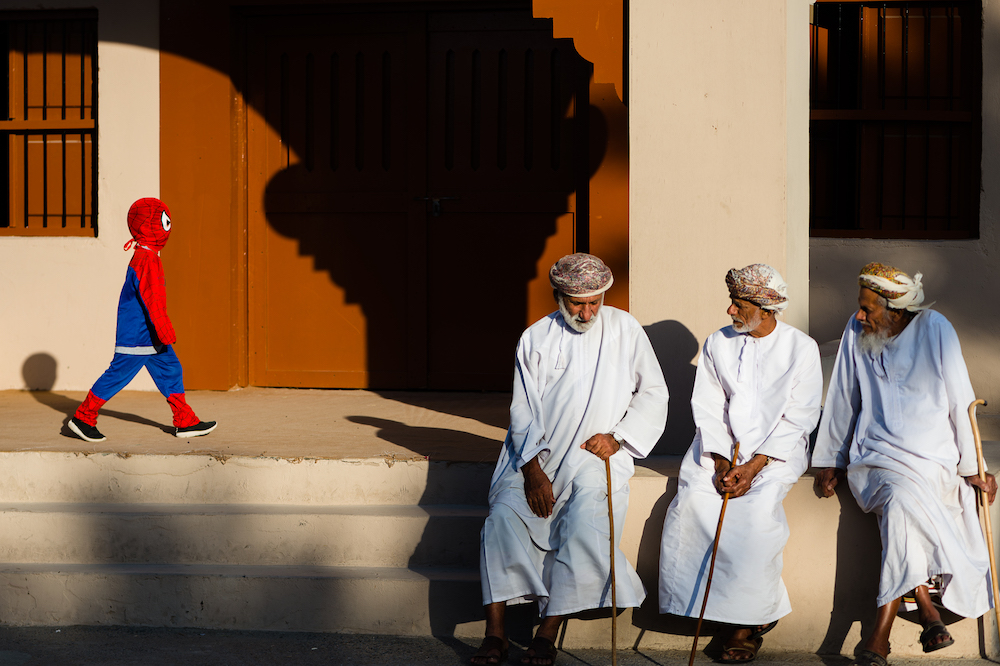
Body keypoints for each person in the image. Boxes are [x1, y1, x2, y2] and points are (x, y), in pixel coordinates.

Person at [471, 253, 669, 666]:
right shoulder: (536, 337)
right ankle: (496, 633)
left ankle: (547, 632)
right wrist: (532, 473)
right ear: (558, 295)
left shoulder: (625, 329)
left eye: (595, 301)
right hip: (534, 456)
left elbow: (653, 392)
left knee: (584, 520)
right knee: (502, 520)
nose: (588, 311)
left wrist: (620, 437)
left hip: (593, 456)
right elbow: (522, 410)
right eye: (578, 303)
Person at [813, 262, 996, 666]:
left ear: (895, 310)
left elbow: (959, 400)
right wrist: (831, 459)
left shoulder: (936, 329)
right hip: (875, 456)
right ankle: (892, 629)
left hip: (934, 460)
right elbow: (844, 393)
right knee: (898, 499)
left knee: (900, 510)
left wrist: (973, 468)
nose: (859, 316)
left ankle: (907, 617)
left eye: (868, 309)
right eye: (859, 308)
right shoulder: (856, 329)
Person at [658, 264, 822, 663]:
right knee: (694, 504)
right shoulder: (719, 342)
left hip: (776, 453)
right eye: (732, 304)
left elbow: (800, 417)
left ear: (766, 310)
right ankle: (705, 612)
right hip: (720, 448)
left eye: (738, 305)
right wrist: (718, 461)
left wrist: (753, 467)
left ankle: (745, 626)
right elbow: (709, 404)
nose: (730, 312)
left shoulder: (801, 348)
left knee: (754, 517)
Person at [68, 198, 217, 443]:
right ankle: (83, 417)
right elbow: (152, 300)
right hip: (138, 335)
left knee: (171, 370)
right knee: (116, 376)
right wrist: (166, 329)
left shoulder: (146, 256)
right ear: (151, 226)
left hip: (150, 335)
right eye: (164, 222)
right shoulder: (147, 260)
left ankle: (185, 421)